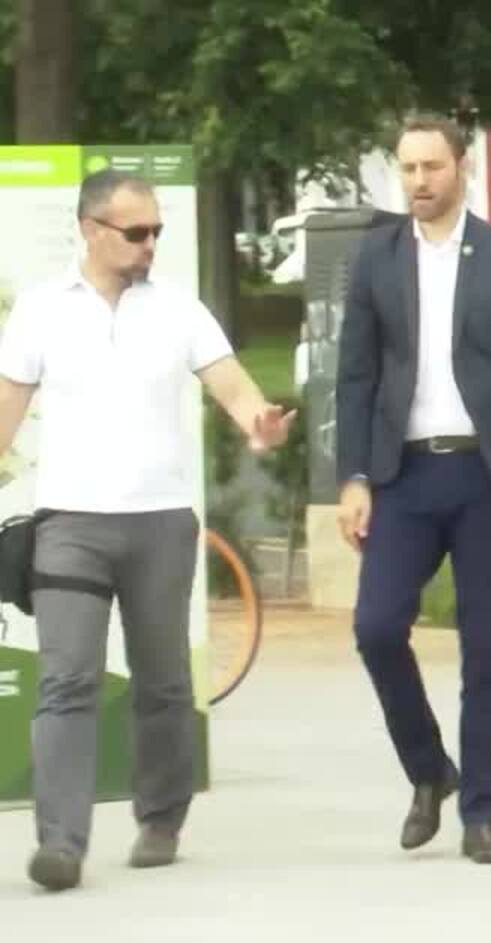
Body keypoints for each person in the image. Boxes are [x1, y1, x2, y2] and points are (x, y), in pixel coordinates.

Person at [0, 169, 294, 892]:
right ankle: (61, 843)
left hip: (160, 523)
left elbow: (230, 382)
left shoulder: (178, 308)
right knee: (67, 679)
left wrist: (257, 421)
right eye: (136, 232)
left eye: (156, 231)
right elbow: (7, 406)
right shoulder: (40, 309)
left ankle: (161, 818)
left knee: (162, 680)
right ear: (90, 230)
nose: (150, 243)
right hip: (68, 523)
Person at [336, 116, 491, 866]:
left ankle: (480, 812)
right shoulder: (376, 259)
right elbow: (356, 376)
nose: (418, 181)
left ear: (461, 168)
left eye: (431, 166)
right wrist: (353, 476)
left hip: (484, 477)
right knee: (376, 627)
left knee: (484, 650)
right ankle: (430, 769)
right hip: (403, 475)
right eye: (407, 168)